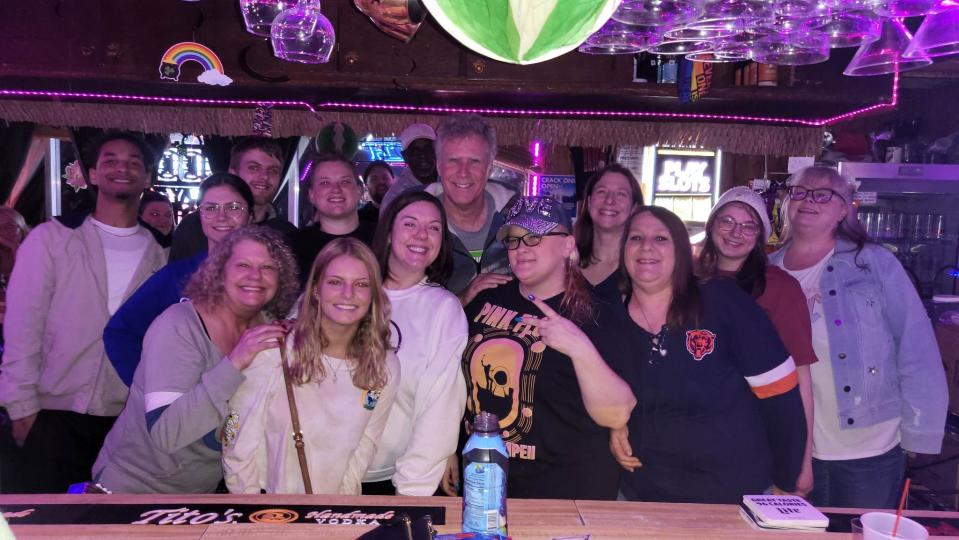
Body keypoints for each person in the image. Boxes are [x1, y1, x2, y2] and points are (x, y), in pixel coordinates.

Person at [770, 166, 947, 509]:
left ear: (843, 210)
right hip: (791, 446)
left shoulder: (873, 264)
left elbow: (915, 345)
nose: (809, 200)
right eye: (801, 192)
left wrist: (920, 430)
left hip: (868, 445)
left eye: (824, 194)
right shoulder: (768, 271)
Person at [0, 132, 168, 493]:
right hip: (52, 410)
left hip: (127, 420)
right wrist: (21, 407)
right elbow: (22, 328)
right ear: (91, 174)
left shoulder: (162, 255)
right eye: (110, 160)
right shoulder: (52, 238)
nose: (122, 167)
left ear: (147, 179)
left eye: (133, 162)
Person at [611, 206, 806, 504]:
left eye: (661, 239)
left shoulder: (723, 302)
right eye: (636, 238)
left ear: (682, 251)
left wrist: (786, 479)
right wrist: (613, 426)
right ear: (623, 249)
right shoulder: (612, 316)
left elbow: (783, 399)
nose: (646, 246)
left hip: (735, 495)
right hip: (644, 495)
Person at [92, 226, 299, 493]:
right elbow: (167, 434)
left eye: (268, 267)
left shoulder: (267, 327)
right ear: (220, 272)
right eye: (243, 264)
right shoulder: (179, 326)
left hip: (201, 494)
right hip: (134, 491)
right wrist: (235, 361)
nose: (255, 275)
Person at [461, 196, 635, 500]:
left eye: (535, 236)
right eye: (513, 240)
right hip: (484, 479)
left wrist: (580, 348)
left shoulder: (597, 313)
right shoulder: (485, 299)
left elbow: (617, 414)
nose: (521, 248)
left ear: (567, 245)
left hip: (564, 489)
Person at [224, 238, 400, 494]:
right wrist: (256, 516)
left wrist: (338, 512)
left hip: (334, 517)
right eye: (335, 282)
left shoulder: (384, 365)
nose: (348, 294)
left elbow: (365, 446)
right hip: (269, 513)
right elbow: (236, 441)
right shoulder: (274, 351)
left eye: (361, 284)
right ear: (316, 289)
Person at [697, 186, 818, 496]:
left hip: (756, 443)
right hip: (696, 444)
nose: (736, 232)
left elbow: (800, 377)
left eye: (749, 225)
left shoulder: (779, 288)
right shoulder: (686, 281)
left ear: (761, 236)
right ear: (711, 226)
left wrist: (802, 463)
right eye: (727, 221)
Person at [362, 190, 468, 496]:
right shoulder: (346, 289)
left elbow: (439, 409)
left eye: (434, 228)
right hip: (319, 474)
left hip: (394, 477)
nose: (422, 235)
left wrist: (412, 493)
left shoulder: (443, 309)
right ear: (388, 232)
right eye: (410, 224)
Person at [104, 174, 255, 386]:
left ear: (250, 216)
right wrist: (150, 388)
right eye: (210, 208)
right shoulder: (177, 276)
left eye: (234, 207)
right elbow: (120, 332)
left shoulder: (265, 279)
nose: (222, 216)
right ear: (199, 216)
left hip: (249, 405)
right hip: (190, 408)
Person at [425, 115, 516, 302]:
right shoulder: (414, 226)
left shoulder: (518, 216)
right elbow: (404, 305)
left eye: (474, 161)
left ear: (489, 167)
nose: (463, 172)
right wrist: (463, 298)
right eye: (453, 160)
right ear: (439, 167)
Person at [171, 137, 296, 261]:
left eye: (273, 171)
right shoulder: (194, 226)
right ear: (233, 173)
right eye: (254, 168)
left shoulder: (287, 233)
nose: (264, 176)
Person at [291, 153, 376, 278]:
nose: (336, 189)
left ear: (359, 191)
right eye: (325, 183)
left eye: (345, 182)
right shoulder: (291, 247)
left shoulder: (383, 240)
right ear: (311, 195)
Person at [573, 164, 644, 301]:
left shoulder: (643, 267)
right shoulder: (566, 263)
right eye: (601, 192)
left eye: (621, 194)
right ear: (588, 202)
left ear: (634, 207)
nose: (609, 201)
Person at [379, 123, 438, 215]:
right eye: (415, 151)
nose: (423, 155)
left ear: (436, 150)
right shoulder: (396, 197)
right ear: (405, 156)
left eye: (427, 149)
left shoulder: (450, 181)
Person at [358, 160, 394, 224]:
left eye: (385, 177)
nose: (381, 182)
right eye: (374, 179)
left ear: (393, 181)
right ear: (366, 185)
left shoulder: (406, 211)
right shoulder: (359, 219)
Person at [0, 206, 30, 280]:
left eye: (10, 226)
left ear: (22, 229)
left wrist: (15, 248)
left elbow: (27, 281)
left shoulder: (36, 251)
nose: (3, 231)